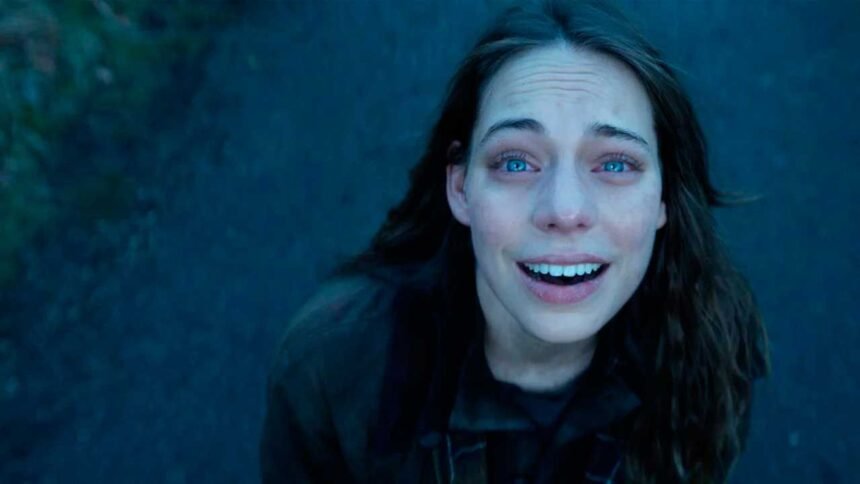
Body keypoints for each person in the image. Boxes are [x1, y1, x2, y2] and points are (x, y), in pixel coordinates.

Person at [259, 0, 770, 482]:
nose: (564, 211)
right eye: (515, 162)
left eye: (615, 164)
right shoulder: (333, 363)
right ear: (460, 188)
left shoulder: (713, 347)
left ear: (664, 198)